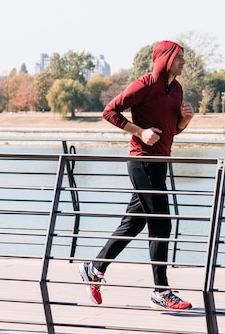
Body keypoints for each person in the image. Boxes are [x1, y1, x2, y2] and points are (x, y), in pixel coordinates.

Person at [78, 40, 195, 310]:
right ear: (165, 59)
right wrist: (139, 132)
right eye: (179, 57)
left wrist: (185, 119)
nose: (183, 62)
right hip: (142, 162)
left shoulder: (176, 89)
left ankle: (94, 269)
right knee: (161, 224)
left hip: (160, 162)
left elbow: (171, 131)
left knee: (133, 223)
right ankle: (160, 292)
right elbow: (109, 111)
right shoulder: (144, 85)